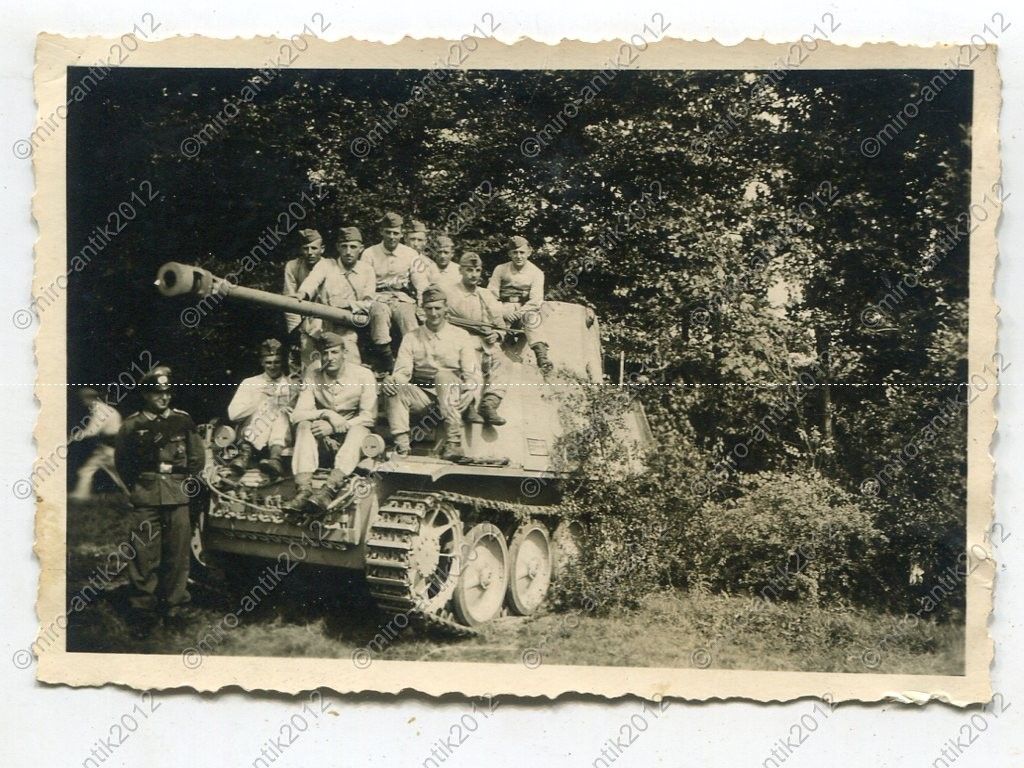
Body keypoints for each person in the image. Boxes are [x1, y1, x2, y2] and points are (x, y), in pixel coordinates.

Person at [114, 368, 206, 624]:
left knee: (178, 555)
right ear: (146, 394)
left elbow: (197, 458)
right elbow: (123, 462)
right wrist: (140, 487)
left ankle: (173, 606)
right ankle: (142, 608)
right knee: (144, 553)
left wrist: (182, 483)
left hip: (177, 495)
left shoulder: (183, 421)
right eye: (157, 393)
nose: (164, 398)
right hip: (147, 495)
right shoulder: (133, 424)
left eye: (167, 393)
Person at [382, 287, 481, 460]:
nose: (434, 313)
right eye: (429, 308)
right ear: (422, 310)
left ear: (445, 308)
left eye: (438, 308)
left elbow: (472, 372)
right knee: (394, 386)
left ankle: (454, 444)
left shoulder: (460, 336)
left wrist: (472, 391)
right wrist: (392, 380)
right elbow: (403, 371)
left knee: (443, 376)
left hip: (453, 396)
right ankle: (402, 446)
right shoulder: (412, 337)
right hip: (425, 398)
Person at [285, 332, 378, 515]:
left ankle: (329, 489)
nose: (330, 358)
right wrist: (326, 414)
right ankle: (303, 490)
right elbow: (297, 414)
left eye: (335, 352)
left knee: (360, 430)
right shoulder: (313, 373)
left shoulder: (363, 375)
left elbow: (369, 417)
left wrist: (338, 425)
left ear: (345, 352)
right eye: (325, 353)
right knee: (304, 425)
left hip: (353, 442)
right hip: (324, 442)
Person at [295, 226, 395, 371]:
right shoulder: (326, 265)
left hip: (348, 327)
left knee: (351, 367)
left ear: (361, 248)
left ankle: (385, 360)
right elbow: (312, 281)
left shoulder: (366, 270)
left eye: (353, 247)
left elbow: (368, 302)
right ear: (338, 247)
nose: (348, 252)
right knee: (313, 370)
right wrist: (302, 294)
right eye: (344, 246)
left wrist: (345, 305)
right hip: (322, 325)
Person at [442, 252, 508, 425]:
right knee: (471, 365)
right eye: (469, 270)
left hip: (486, 343)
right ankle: (469, 405)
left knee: (502, 361)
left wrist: (497, 334)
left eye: (477, 270)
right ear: (461, 270)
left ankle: (489, 404)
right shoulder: (450, 293)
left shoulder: (486, 295)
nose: (473, 275)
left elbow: (500, 323)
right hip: (461, 341)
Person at [225, 339, 297, 481]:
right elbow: (233, 415)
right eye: (268, 362)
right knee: (266, 405)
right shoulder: (250, 383)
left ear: (282, 362)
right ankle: (247, 455)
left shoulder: (291, 384)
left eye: (276, 362)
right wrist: (260, 398)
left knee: (280, 411)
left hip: (282, 438)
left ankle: (275, 459)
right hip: (249, 434)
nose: (272, 366)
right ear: (262, 363)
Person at [488, 235, 553, 373]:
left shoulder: (536, 273)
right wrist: (504, 312)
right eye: (515, 252)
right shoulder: (500, 269)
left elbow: (535, 300)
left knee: (533, 320)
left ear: (529, 252)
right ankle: (492, 356)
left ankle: (542, 358)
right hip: (503, 307)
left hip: (525, 309)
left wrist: (518, 313)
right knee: (497, 324)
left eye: (522, 252)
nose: (518, 256)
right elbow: (491, 294)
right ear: (509, 254)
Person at [360, 212, 429, 340]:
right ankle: (386, 358)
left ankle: (415, 356)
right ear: (382, 232)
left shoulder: (411, 254)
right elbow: (365, 284)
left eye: (396, 233)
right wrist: (368, 302)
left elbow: (421, 282)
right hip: (377, 298)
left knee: (410, 323)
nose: (392, 237)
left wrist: (422, 304)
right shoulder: (369, 254)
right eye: (388, 232)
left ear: (402, 234)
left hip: (401, 298)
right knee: (380, 317)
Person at [69, 388, 128, 500]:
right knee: (116, 475)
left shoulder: (100, 411)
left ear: (90, 399)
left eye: (84, 400)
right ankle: (135, 498)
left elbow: (92, 431)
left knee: (86, 471)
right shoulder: (107, 409)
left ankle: (80, 496)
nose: (83, 403)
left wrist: (73, 437)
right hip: (110, 447)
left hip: (108, 448)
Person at [284, 228, 326, 366]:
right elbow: (289, 300)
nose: (310, 253)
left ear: (322, 249)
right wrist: (294, 330)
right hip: (302, 323)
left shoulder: (328, 265)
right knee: (306, 363)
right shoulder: (293, 266)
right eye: (306, 248)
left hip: (325, 320)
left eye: (314, 248)